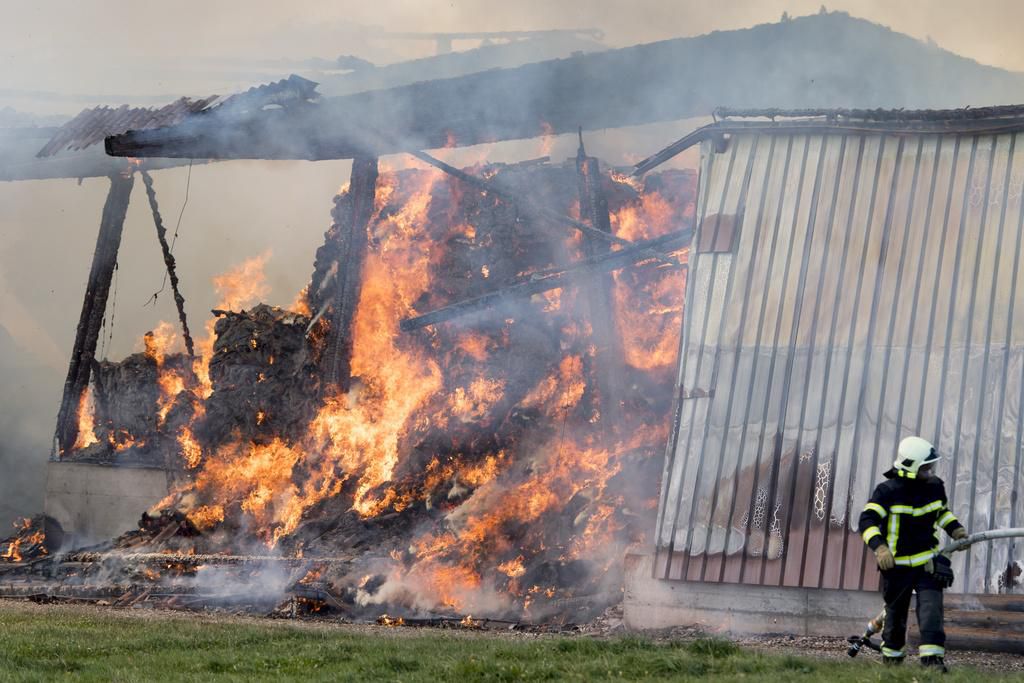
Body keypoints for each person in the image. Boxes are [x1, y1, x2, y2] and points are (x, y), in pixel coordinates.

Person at [858, 436, 968, 672]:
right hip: (895, 567)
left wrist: (955, 528)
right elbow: (866, 520)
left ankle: (932, 662)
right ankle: (892, 662)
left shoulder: (935, 487)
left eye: (931, 467)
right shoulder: (887, 492)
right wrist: (879, 547)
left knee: (931, 610)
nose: (930, 471)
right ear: (910, 466)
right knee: (895, 616)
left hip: (926, 563)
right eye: (925, 467)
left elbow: (941, 513)